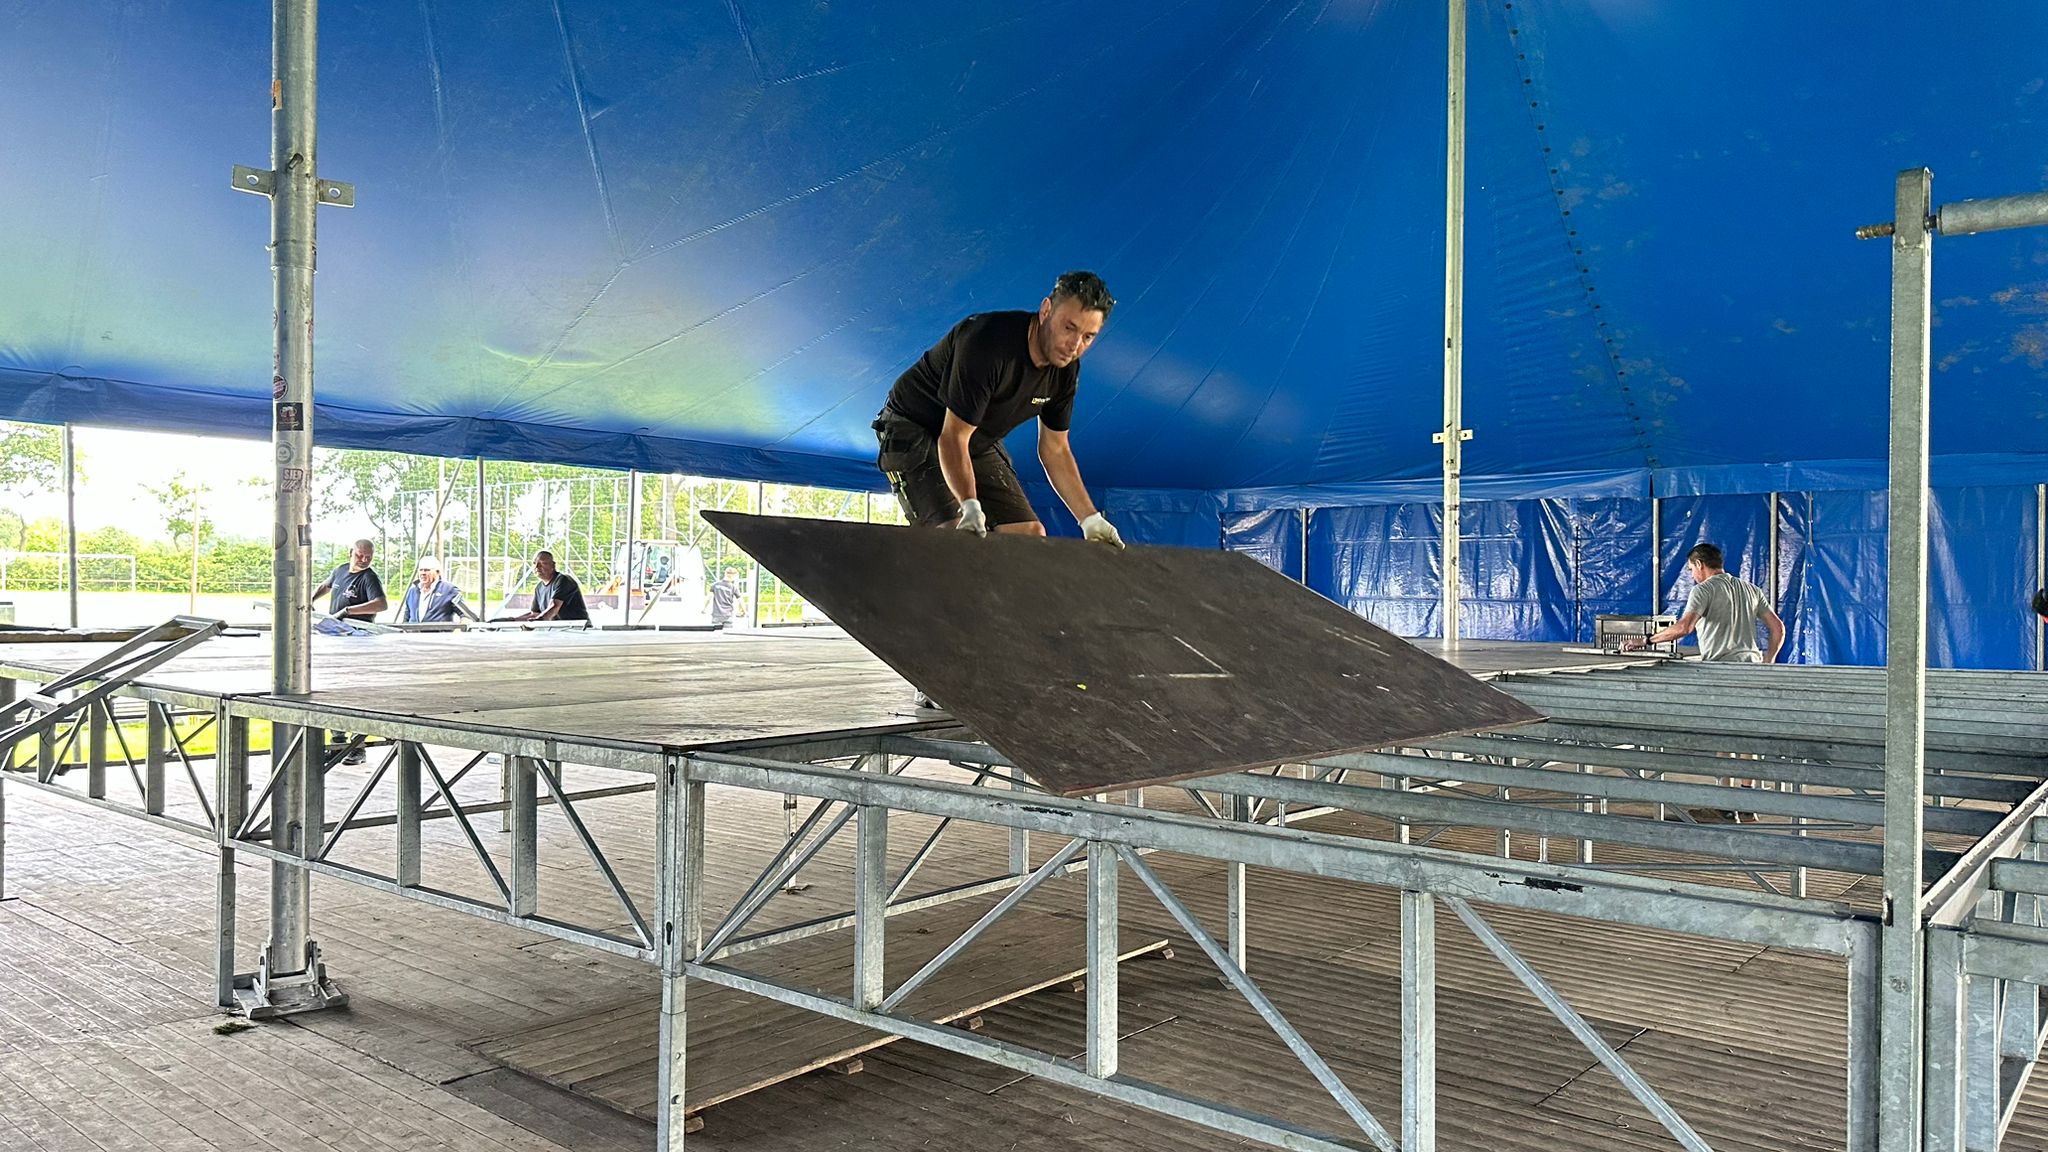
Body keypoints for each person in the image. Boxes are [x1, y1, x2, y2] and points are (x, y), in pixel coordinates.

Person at [872, 270, 1127, 547]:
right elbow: (953, 436)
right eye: (1069, 328)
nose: (1074, 346)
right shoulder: (987, 343)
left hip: (974, 435)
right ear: (1046, 311)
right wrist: (970, 505)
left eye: (1088, 336)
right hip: (916, 426)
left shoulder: (1065, 371)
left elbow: (1055, 450)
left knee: (1029, 535)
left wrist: (1090, 519)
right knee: (954, 535)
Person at [1625, 543, 1785, 663]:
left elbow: (1684, 627)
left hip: (1722, 669)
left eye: (1691, 569)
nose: (1692, 575)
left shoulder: (1703, 590)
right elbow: (1778, 628)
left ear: (1699, 564)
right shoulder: (1752, 589)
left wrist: (1645, 640)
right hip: (1753, 665)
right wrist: (1769, 660)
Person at [311, 539, 388, 621]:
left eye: (368, 557)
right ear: (351, 552)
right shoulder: (341, 569)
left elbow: (381, 604)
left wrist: (347, 611)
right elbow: (326, 586)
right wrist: (311, 599)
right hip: (336, 624)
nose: (364, 560)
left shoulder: (370, 577)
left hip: (356, 627)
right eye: (360, 555)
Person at [517, 551, 589, 622]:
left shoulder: (563, 580)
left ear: (553, 565)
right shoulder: (539, 588)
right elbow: (535, 614)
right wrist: (514, 619)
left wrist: (539, 620)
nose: (537, 567)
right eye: (534, 563)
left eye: (543, 563)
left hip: (576, 627)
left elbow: (554, 607)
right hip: (556, 628)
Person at [397, 560, 472, 623]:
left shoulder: (449, 590)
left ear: (438, 572)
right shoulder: (412, 591)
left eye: (427, 570)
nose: (423, 573)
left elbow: (466, 615)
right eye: (420, 570)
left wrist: (458, 630)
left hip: (438, 636)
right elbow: (406, 617)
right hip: (413, 635)